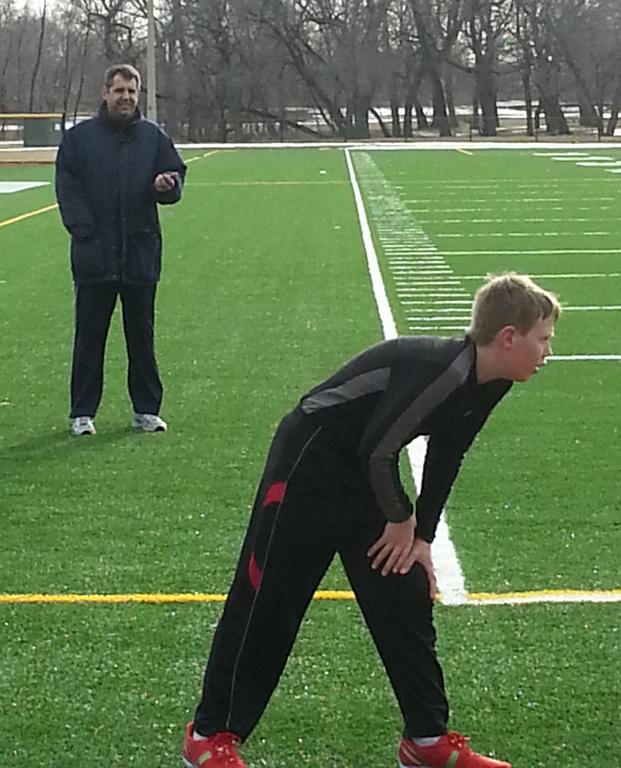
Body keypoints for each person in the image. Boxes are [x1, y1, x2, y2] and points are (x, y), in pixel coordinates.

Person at [182, 273, 560, 768]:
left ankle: (426, 739)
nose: (548, 352)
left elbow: (448, 451)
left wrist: (421, 537)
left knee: (404, 589)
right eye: (543, 339)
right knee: (269, 598)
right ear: (508, 337)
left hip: (364, 474)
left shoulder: (493, 381)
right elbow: (379, 448)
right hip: (309, 462)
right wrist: (401, 517)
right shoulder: (444, 370)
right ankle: (208, 735)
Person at [55, 63, 186, 436]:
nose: (125, 97)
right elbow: (67, 187)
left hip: (140, 253)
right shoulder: (79, 139)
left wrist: (167, 186)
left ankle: (146, 410)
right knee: (89, 337)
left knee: (141, 337)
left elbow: (175, 175)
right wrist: (84, 232)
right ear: (105, 92)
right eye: (119, 91)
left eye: (131, 91)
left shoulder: (153, 138)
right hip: (94, 255)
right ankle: (83, 413)